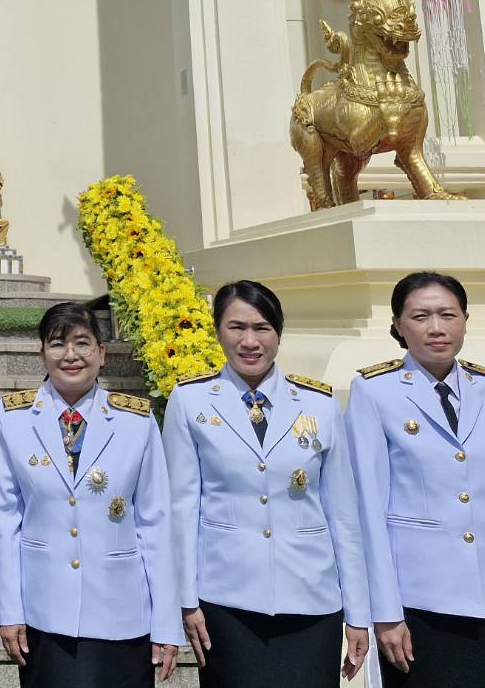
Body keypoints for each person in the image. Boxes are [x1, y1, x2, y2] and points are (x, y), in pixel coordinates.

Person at [345, 271, 485, 686]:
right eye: (420, 316)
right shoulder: (374, 391)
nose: (436, 328)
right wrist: (385, 612)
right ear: (397, 325)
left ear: (465, 319)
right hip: (420, 603)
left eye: (448, 314)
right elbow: (368, 510)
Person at [161, 280, 370, 688]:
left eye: (262, 328)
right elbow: (181, 510)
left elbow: (343, 515)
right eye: (236, 327)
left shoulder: (319, 404)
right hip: (227, 599)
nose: (250, 341)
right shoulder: (191, 401)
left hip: (311, 597)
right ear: (218, 330)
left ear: (279, 332)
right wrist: (186, 601)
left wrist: (358, 613)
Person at [0, 302, 181, 685]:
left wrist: (167, 624)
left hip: (122, 611)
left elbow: (155, 523)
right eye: (58, 344)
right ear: (42, 352)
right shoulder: (12, 417)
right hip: (45, 612)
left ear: (102, 353)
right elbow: (4, 521)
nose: (71, 355)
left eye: (82, 343)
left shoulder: (136, 421)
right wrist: (9, 610)